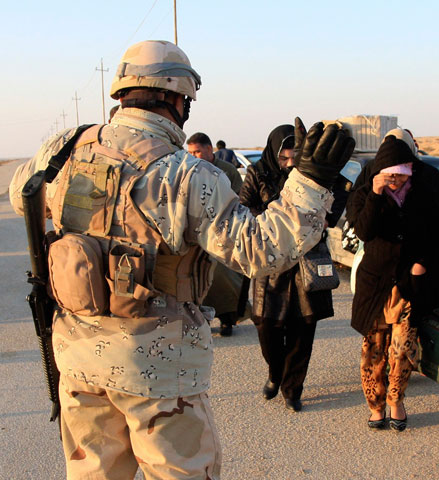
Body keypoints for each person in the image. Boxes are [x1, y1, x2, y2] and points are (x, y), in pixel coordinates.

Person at [8, 39, 354, 479]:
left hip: (77, 359)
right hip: (157, 370)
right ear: (175, 97)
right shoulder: (186, 176)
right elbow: (261, 250)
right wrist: (311, 181)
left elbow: (23, 193)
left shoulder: (65, 147)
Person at [346, 129, 439, 431]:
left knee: (403, 348)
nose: (397, 181)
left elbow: (435, 231)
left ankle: (396, 400)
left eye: (402, 175)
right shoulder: (367, 191)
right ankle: (375, 406)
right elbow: (364, 231)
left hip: (408, 281)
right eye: (390, 175)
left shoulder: (424, 188)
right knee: (373, 350)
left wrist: (422, 264)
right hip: (375, 282)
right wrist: (376, 194)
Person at [239, 124, 349, 412]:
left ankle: (292, 388)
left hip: (307, 261)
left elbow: (341, 190)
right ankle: (275, 373)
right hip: (270, 260)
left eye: (294, 158)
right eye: (284, 158)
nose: (289, 164)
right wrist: (271, 221)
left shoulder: (313, 173)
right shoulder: (258, 172)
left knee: (304, 327)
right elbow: (244, 206)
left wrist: (325, 217)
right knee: (266, 325)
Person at [187, 132, 247, 336]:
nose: (194, 156)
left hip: (223, 232)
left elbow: (240, 198)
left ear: (209, 149)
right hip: (197, 232)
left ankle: (227, 320)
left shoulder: (227, 171)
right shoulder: (190, 170)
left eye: (197, 151)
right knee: (197, 278)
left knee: (224, 278)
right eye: (190, 152)